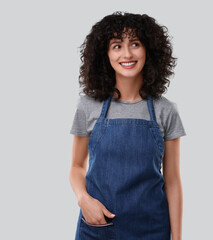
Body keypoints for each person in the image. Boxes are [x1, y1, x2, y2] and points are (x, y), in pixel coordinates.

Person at [68, 11, 186, 240]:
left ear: (148, 49)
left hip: (152, 228)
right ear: (105, 53)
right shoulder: (87, 106)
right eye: (116, 46)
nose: (127, 54)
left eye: (135, 44)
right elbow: (75, 167)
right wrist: (84, 199)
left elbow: (172, 180)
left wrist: (178, 237)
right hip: (98, 227)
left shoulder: (166, 110)